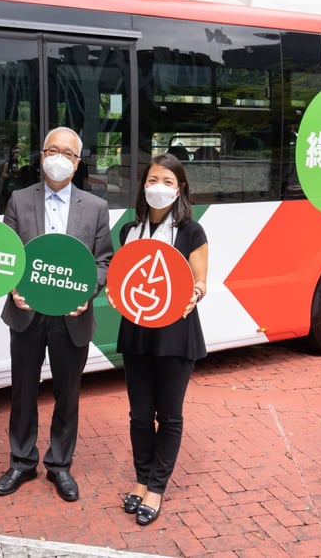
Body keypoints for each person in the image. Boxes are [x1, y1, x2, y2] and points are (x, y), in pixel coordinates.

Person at [0, 127, 114, 503]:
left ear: (77, 163)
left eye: (68, 153)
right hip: (27, 312)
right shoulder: (19, 199)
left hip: (71, 316)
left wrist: (87, 292)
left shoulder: (95, 207)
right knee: (23, 391)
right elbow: (7, 254)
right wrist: (12, 288)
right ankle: (21, 461)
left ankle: (60, 464)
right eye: (53, 151)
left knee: (68, 394)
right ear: (42, 155)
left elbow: (104, 261)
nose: (59, 159)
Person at [112, 153, 208, 526]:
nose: (159, 187)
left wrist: (195, 293)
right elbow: (124, 278)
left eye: (168, 181)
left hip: (175, 334)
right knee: (139, 415)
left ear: (180, 188)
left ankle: (156, 485)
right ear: (143, 186)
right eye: (153, 180)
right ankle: (141, 477)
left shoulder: (191, 232)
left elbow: (200, 283)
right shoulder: (129, 231)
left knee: (168, 415)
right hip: (137, 331)